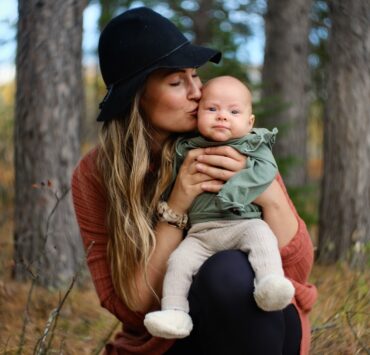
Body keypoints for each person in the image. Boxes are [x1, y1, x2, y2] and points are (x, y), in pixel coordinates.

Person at [71, 7, 317, 355]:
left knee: (228, 271)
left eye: (195, 76)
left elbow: (297, 270)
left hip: (264, 324)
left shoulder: (233, 139)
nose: (197, 92)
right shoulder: (96, 174)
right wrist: (177, 205)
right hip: (172, 338)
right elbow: (132, 306)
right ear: (136, 98)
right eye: (176, 82)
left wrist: (268, 194)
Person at [144, 76, 295, 339]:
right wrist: (174, 201)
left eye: (233, 112)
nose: (222, 117)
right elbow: (168, 182)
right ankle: (175, 311)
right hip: (201, 232)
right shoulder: (186, 147)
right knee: (179, 261)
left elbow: (267, 172)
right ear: (198, 113)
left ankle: (269, 283)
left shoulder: (253, 144)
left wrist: (237, 186)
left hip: (242, 224)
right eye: (212, 109)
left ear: (250, 122)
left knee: (262, 235)